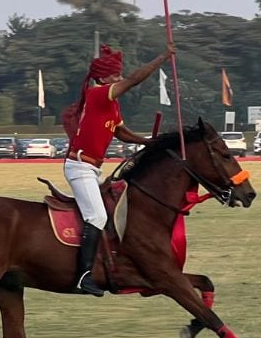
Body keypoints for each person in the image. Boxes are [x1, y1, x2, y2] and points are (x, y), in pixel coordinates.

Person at [61, 41, 175, 296]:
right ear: (103, 77)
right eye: (115, 74)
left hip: (93, 169)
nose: (120, 77)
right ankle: (83, 277)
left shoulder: (111, 103)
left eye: (119, 74)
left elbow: (121, 133)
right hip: (79, 167)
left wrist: (147, 141)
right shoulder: (99, 93)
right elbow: (134, 79)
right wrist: (162, 58)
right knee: (98, 217)